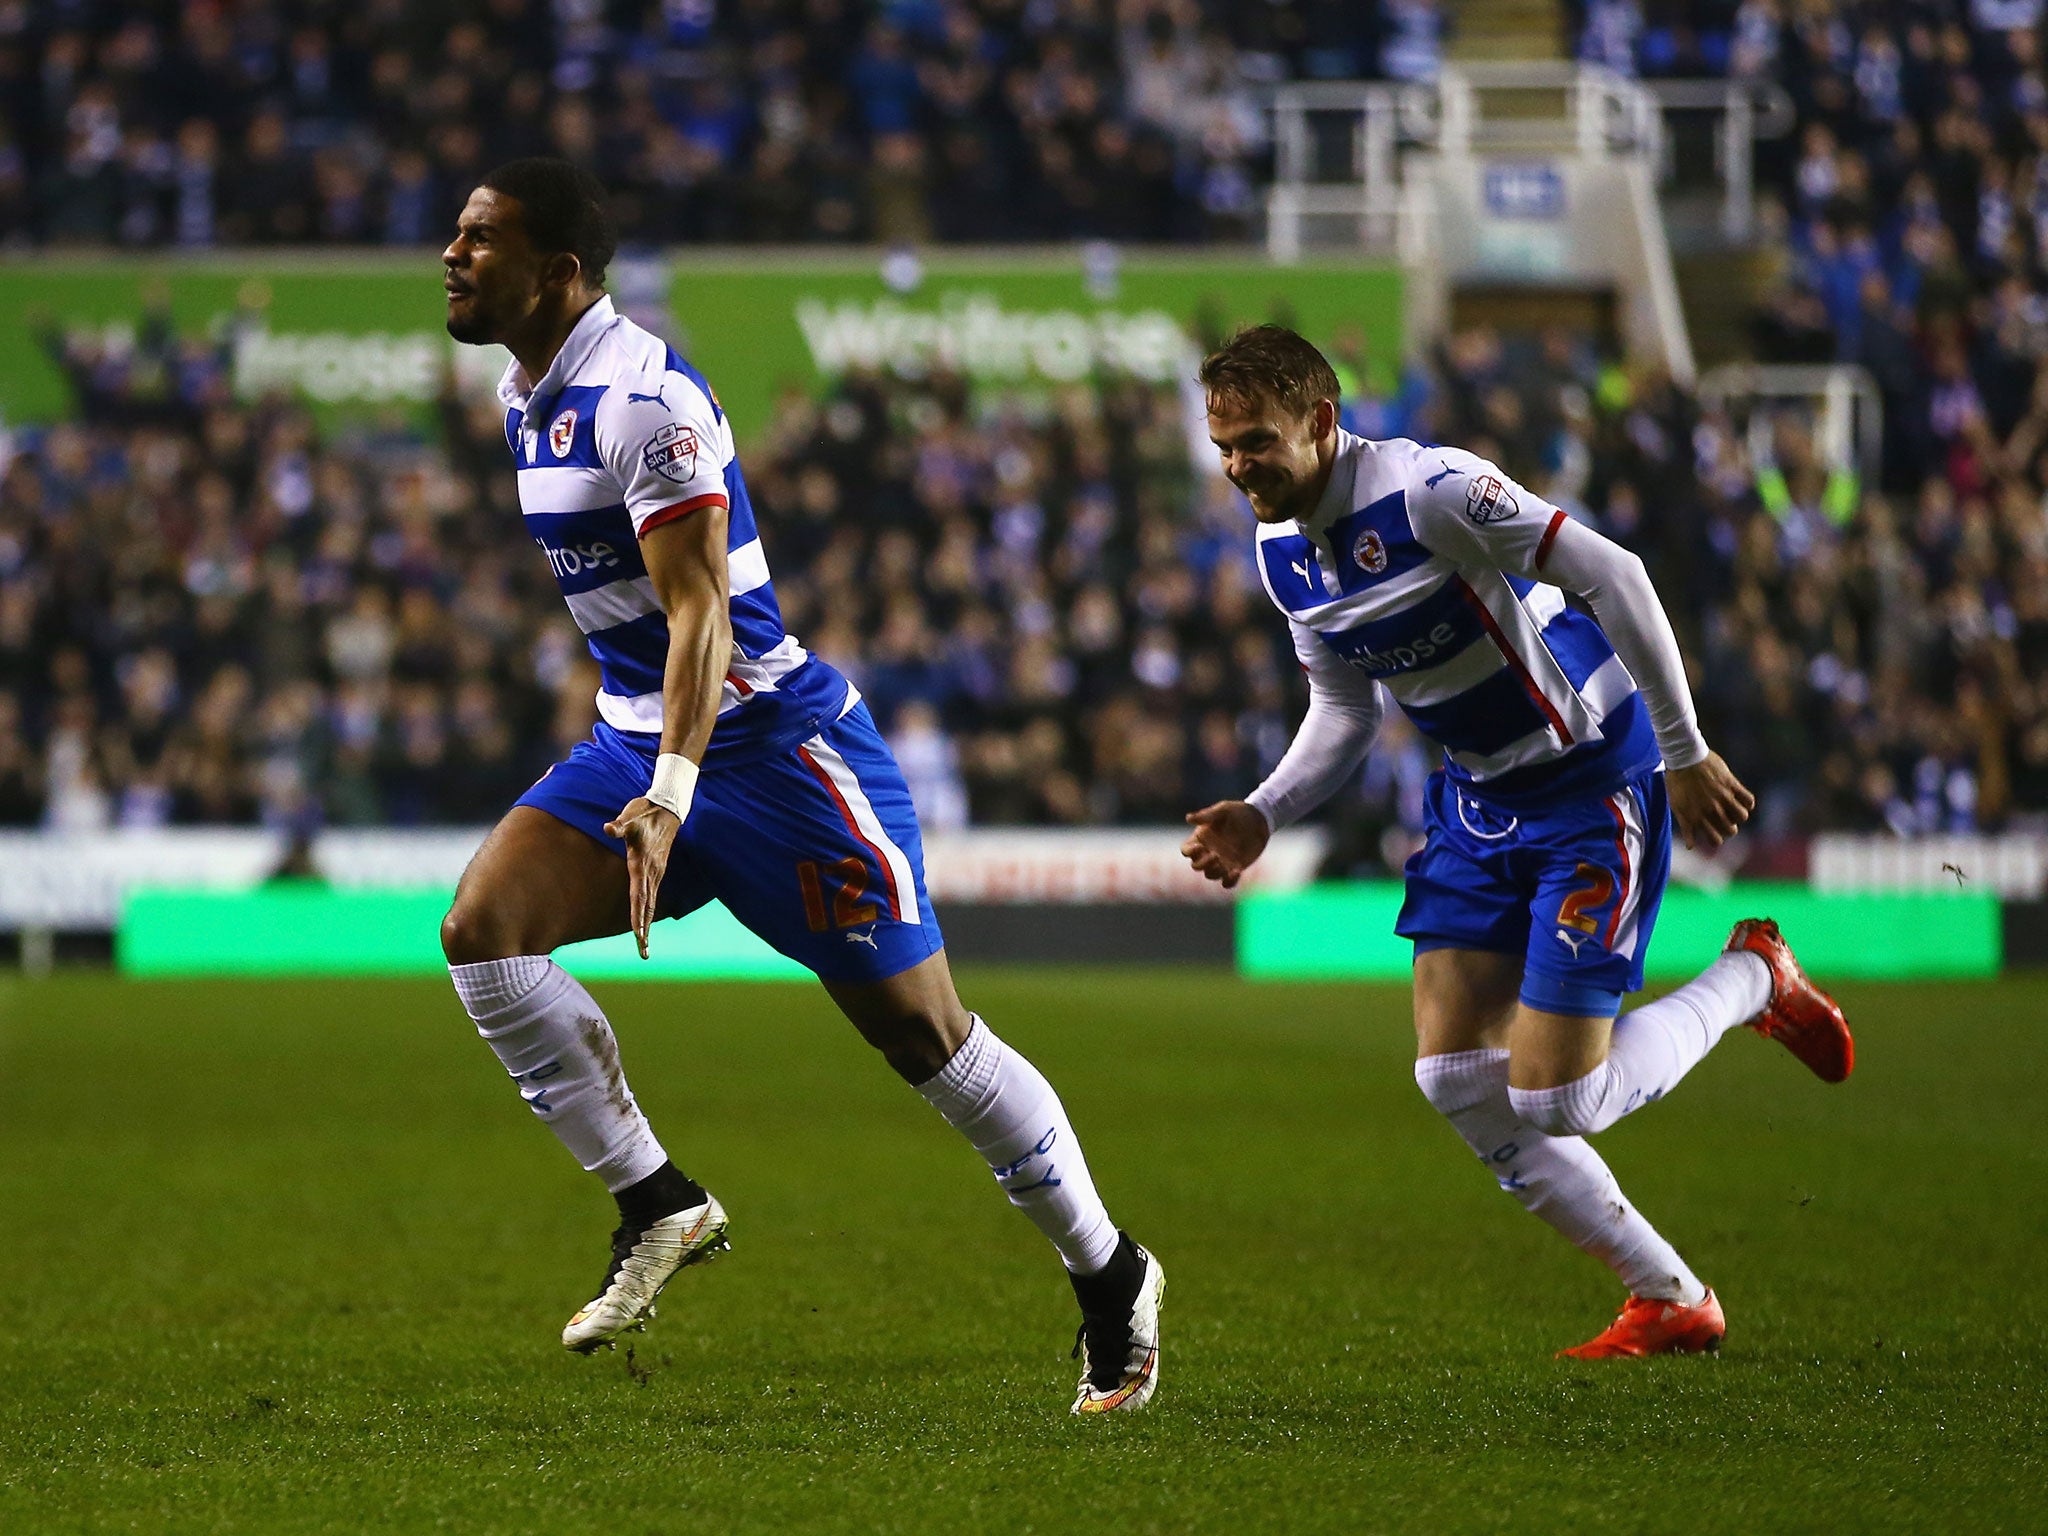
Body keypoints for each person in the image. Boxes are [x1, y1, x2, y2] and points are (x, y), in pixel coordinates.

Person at [435, 158, 1161, 1414]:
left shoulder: (643, 401)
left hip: (772, 754)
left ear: (558, 272)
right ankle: (659, 1201)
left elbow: (703, 606)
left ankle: (1111, 1274)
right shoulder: (521, 393)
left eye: (479, 239)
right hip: (637, 736)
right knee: (482, 936)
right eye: (456, 233)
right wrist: (645, 762)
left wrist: (669, 788)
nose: (450, 254)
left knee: (924, 1036)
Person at [1180, 326, 1853, 1358]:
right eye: (1223, 445)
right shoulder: (1281, 552)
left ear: (1319, 422)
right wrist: (1264, 809)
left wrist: (1681, 750)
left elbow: (1613, 573)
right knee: (1451, 1078)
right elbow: (1344, 709)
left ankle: (1754, 977)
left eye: (1256, 442)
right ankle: (1667, 1296)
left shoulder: (1430, 491)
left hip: (1592, 785)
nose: (1237, 467)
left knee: (1557, 1096)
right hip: (1478, 802)